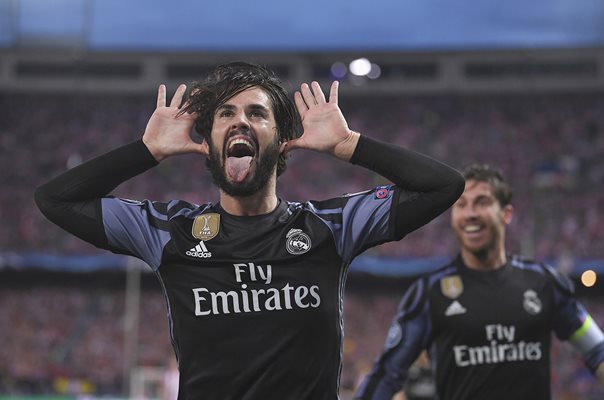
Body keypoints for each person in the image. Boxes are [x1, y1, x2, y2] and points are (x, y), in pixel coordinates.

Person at [34, 62, 464, 400]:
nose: (240, 121)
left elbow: (443, 185)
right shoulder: (169, 231)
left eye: (257, 113)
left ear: (281, 140)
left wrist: (350, 144)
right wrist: (145, 152)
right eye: (225, 114)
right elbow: (56, 199)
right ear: (209, 140)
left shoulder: (331, 226)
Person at [355, 164, 604, 400]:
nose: (470, 213)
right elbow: (386, 375)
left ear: (506, 213)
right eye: (461, 205)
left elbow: (596, 350)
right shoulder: (430, 294)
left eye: (482, 202)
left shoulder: (544, 283)